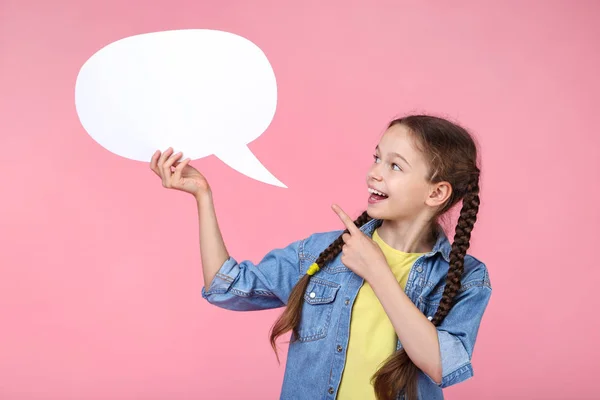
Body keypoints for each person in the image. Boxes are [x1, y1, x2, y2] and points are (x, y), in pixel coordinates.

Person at [149, 114, 492, 400]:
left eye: (395, 166)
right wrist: (202, 196)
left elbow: (443, 366)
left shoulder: (465, 278)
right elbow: (226, 287)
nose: (375, 172)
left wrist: (378, 272)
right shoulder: (324, 251)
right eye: (376, 158)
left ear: (436, 192)